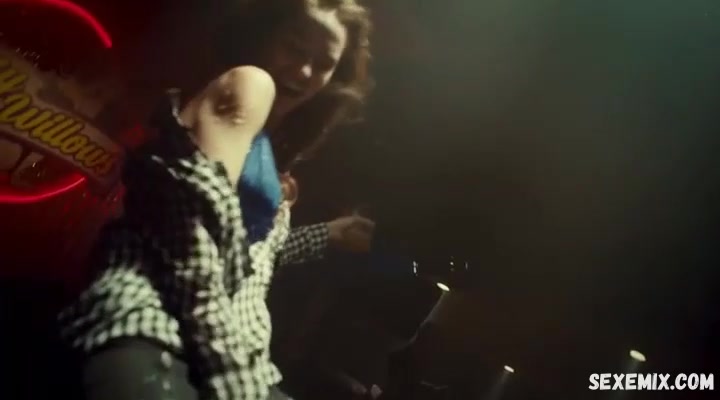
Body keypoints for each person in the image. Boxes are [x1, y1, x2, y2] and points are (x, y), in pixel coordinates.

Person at [57, 1, 374, 399]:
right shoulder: (250, 82)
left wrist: (327, 234)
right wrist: (235, 376)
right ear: (264, 33)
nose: (305, 71)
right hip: (151, 327)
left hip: (212, 347)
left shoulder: (266, 147)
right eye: (295, 47)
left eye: (324, 63)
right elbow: (193, 242)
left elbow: (243, 259)